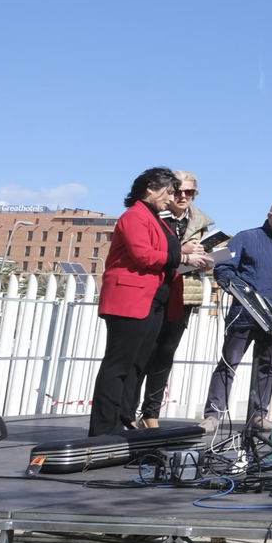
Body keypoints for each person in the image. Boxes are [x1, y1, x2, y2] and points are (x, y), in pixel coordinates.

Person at [91, 168, 210, 436]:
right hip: (130, 298)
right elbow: (143, 255)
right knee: (118, 365)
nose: (171, 198)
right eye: (168, 192)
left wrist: (183, 251)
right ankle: (102, 429)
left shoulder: (154, 218)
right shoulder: (135, 215)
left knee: (137, 363)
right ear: (149, 188)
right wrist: (182, 257)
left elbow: (159, 249)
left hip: (152, 299)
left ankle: (124, 420)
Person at [201, 201, 272, 434]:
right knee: (228, 363)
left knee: (268, 367)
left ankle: (259, 415)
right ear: (270, 215)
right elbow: (223, 268)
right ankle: (213, 415)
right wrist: (241, 291)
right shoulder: (245, 238)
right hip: (244, 314)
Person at [129, 169, 216, 429]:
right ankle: (127, 412)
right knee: (141, 353)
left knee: (165, 354)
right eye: (178, 191)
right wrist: (181, 252)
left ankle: (150, 413)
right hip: (154, 289)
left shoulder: (200, 221)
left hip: (183, 292)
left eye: (189, 192)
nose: (183, 197)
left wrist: (205, 261)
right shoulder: (153, 216)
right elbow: (146, 251)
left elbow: (203, 255)